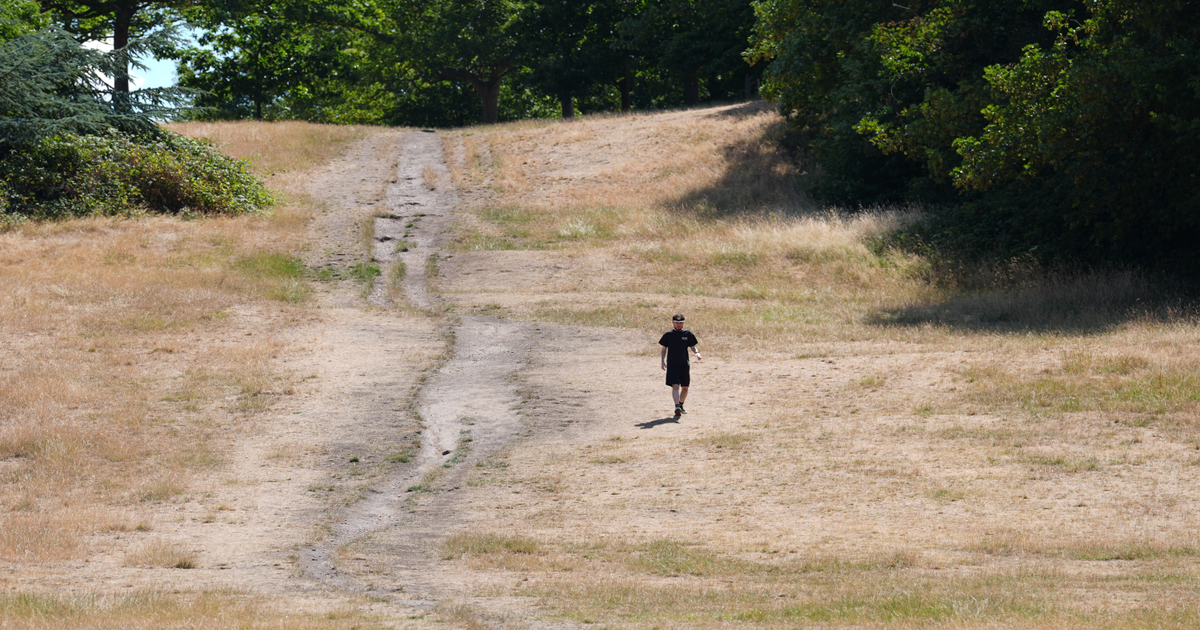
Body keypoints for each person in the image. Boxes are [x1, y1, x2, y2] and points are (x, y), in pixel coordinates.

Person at [659, 313, 701, 418]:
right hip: (672, 364)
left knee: (685, 387)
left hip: (684, 364)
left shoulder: (688, 334)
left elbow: (692, 346)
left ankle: (681, 405)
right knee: (675, 386)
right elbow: (664, 349)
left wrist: (696, 353)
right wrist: (662, 361)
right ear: (672, 322)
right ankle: (677, 406)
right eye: (676, 323)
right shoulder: (668, 335)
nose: (678, 325)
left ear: (683, 323)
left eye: (680, 323)